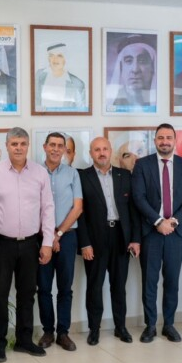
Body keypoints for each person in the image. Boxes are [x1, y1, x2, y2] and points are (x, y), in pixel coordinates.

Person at [0, 127, 55, 362]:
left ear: (28, 145)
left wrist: (47, 242)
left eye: (22, 144)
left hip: (31, 243)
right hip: (1, 243)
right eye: (14, 144)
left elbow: (48, 208)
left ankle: (24, 340)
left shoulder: (40, 173)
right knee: (0, 294)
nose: (18, 148)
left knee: (27, 294)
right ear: (7, 146)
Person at [131, 123, 182, 342]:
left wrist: (173, 222)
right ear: (155, 141)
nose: (165, 141)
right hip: (151, 232)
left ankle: (169, 324)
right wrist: (158, 221)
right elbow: (138, 198)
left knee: (172, 282)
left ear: (175, 141)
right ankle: (150, 325)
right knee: (149, 281)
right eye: (160, 138)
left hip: (176, 234)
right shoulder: (142, 165)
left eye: (169, 137)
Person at [77, 137, 141, 345]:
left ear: (110, 151)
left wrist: (135, 239)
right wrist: (84, 243)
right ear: (91, 153)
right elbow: (80, 214)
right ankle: (94, 329)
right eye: (97, 150)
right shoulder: (82, 177)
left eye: (105, 149)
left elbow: (133, 210)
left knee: (119, 286)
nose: (102, 153)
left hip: (121, 236)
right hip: (95, 238)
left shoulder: (125, 175)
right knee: (95, 286)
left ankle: (120, 327)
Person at [37, 132, 83, 351]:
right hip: (41, 238)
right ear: (45, 147)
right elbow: (31, 207)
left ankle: (63, 332)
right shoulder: (35, 172)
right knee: (44, 287)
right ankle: (48, 331)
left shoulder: (73, 174)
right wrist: (48, 236)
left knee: (65, 287)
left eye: (60, 146)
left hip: (67, 237)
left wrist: (58, 234)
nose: (56, 149)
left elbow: (78, 208)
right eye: (52, 145)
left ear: (65, 149)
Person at [107, 36, 157, 110]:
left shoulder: (162, 99)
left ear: (152, 67)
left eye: (142, 61)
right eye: (128, 61)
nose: (135, 70)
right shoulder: (113, 102)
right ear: (121, 68)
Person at [35, 42, 87, 110]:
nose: (55, 59)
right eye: (51, 55)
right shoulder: (39, 75)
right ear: (48, 59)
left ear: (65, 59)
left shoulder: (77, 83)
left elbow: (81, 110)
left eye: (59, 56)